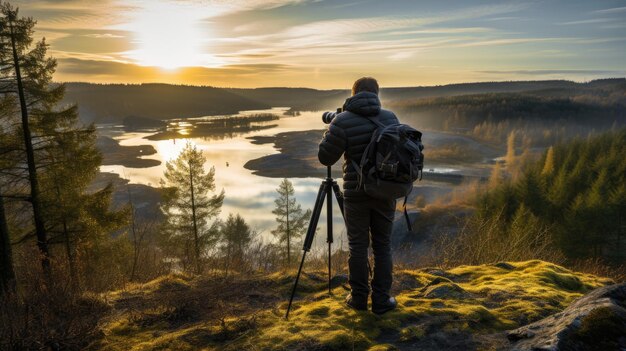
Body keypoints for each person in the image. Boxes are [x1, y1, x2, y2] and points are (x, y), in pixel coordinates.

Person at [318, 77, 398, 314]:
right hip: (385, 192)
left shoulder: (342, 121)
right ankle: (382, 301)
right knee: (383, 247)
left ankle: (359, 300)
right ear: (376, 94)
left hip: (357, 194)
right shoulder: (390, 118)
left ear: (353, 94)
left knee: (358, 246)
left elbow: (325, 158)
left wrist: (330, 130)